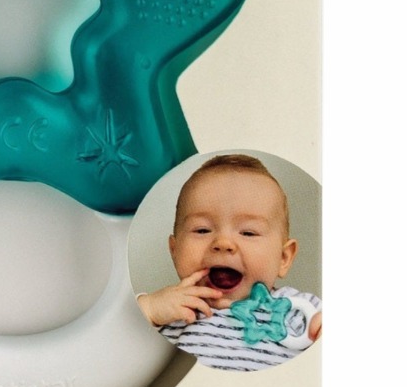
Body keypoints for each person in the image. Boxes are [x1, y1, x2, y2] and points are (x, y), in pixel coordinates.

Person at [137, 154, 322, 370]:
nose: (223, 243)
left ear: (283, 258)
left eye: (248, 232)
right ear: (175, 250)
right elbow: (118, 354)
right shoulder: (168, 312)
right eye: (202, 230)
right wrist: (148, 309)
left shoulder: (301, 311)